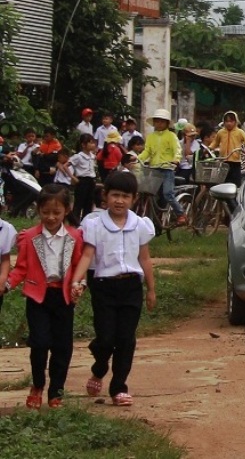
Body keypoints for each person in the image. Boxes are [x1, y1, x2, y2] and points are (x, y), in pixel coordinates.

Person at [70, 171, 156, 407]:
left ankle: (119, 386)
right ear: (105, 196)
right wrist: (76, 281)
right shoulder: (94, 223)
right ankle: (99, 367)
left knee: (126, 338)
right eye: (115, 195)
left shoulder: (140, 225)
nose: (119, 201)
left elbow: (145, 258)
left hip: (131, 287)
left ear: (134, 199)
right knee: (106, 337)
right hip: (104, 287)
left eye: (125, 196)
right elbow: (87, 255)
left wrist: (151, 289)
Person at [6, 185, 84, 409]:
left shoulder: (75, 237)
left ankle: (56, 392)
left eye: (56, 213)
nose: (51, 217)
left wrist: (80, 285)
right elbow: (21, 268)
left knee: (63, 346)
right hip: (37, 297)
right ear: (38, 210)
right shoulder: (29, 237)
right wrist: (7, 283)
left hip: (63, 298)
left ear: (67, 210)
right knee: (39, 343)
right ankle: (38, 385)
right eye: (45, 212)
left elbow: (79, 266)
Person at [137, 108, 187, 225]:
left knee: (168, 193)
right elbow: (147, 151)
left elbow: (177, 150)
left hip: (167, 168)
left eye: (162, 121)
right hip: (154, 169)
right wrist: (138, 158)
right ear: (154, 122)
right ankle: (155, 220)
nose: (159, 124)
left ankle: (181, 214)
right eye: (157, 121)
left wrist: (176, 160)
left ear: (167, 123)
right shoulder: (151, 136)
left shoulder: (171, 136)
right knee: (150, 194)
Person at [210, 110, 245, 187]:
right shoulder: (220, 132)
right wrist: (209, 149)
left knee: (235, 184)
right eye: (226, 121)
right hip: (223, 161)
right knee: (222, 183)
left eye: (231, 121)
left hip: (235, 162)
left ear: (236, 121)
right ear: (224, 122)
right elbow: (215, 143)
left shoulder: (240, 132)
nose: (229, 123)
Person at [70, 133, 98, 223]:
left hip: (91, 181)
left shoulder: (92, 156)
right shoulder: (78, 156)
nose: (93, 145)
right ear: (83, 144)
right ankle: (75, 222)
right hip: (82, 180)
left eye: (93, 143)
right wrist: (72, 177)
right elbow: (65, 166)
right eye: (90, 143)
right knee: (79, 203)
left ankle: (85, 222)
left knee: (89, 203)